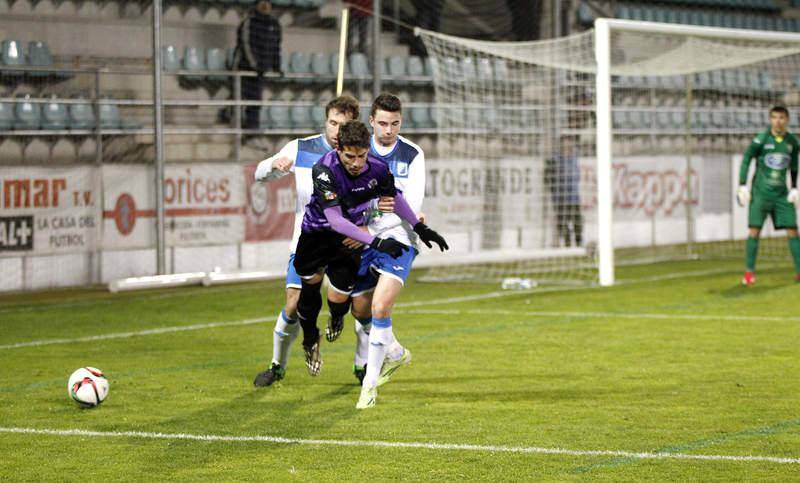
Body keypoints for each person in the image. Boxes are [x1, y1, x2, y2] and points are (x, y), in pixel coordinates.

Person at [293, 120, 448, 379]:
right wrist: (375, 241)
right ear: (339, 149)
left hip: (348, 241)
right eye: (349, 156)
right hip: (317, 236)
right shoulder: (323, 169)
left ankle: (336, 317)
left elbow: (394, 197)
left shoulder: (377, 168)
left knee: (340, 298)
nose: (356, 163)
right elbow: (336, 221)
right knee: (309, 288)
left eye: (362, 156)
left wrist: (419, 228)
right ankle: (310, 341)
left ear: (368, 151)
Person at [252, 95, 360, 387]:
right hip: (307, 241)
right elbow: (259, 174)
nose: (337, 130)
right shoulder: (301, 148)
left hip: (345, 243)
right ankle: (277, 366)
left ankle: (361, 364)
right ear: (325, 121)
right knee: (293, 303)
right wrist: (276, 164)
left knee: (356, 303)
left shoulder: (360, 155)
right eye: (333, 123)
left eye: (344, 125)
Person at [349, 94, 426, 396]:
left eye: (394, 123)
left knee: (381, 306)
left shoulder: (413, 154)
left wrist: (371, 219)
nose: (388, 130)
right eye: (382, 123)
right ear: (371, 122)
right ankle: (393, 350)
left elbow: (411, 205)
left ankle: (369, 387)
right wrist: (367, 217)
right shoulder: (359, 153)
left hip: (401, 238)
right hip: (366, 238)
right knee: (359, 309)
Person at [737, 105, 800, 285]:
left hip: (781, 194)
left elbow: (794, 165)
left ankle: (799, 271)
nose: (778, 121)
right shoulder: (762, 139)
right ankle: (749, 273)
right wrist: (742, 184)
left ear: (787, 120)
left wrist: (794, 187)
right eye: (774, 117)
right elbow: (747, 158)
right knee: (754, 231)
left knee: (793, 230)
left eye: (781, 117)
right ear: (770, 120)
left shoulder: (792, 142)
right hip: (761, 194)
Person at [235, 0, 282, 129]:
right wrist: (255, 65)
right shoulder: (249, 23)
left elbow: (276, 46)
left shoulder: (274, 24)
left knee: (256, 99)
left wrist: (276, 65)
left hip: (261, 70)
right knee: (244, 98)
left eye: (268, 3)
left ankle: (252, 127)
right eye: (262, 3)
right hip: (247, 69)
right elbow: (246, 45)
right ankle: (243, 125)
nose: (266, 6)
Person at [544, 136, 583, 247]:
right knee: (563, 224)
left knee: (577, 222)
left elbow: (577, 176)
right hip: (560, 197)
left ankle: (579, 244)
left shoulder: (574, 158)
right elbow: (548, 178)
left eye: (570, 143)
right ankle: (567, 245)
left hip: (574, 197)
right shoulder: (555, 159)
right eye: (566, 143)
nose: (569, 145)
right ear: (561, 145)